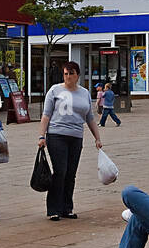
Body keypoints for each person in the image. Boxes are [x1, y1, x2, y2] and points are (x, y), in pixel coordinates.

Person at [37, 61, 103, 221]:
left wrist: (97, 138)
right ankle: (54, 208)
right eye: (65, 74)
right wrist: (42, 136)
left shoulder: (84, 93)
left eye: (71, 74)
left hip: (76, 136)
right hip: (57, 135)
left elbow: (90, 118)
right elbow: (46, 115)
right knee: (60, 171)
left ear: (77, 75)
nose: (68, 77)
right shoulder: (55, 90)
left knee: (71, 174)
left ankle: (67, 207)